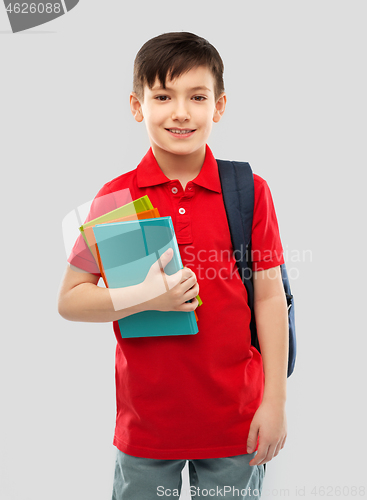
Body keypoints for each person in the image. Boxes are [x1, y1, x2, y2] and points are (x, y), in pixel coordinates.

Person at [58, 32, 288, 500]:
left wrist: (276, 402)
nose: (180, 112)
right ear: (137, 105)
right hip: (147, 426)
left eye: (197, 97)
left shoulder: (248, 192)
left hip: (235, 423)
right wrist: (148, 296)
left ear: (218, 106)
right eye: (163, 96)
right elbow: (71, 300)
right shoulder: (116, 198)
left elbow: (268, 297)